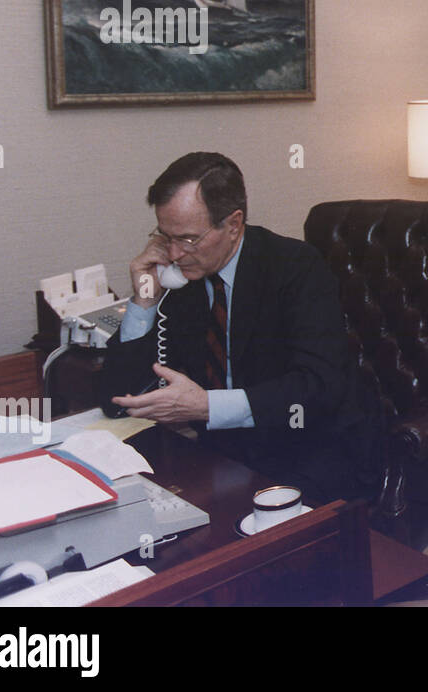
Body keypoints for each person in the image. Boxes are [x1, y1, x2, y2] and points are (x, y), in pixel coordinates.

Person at [100, 151, 381, 505]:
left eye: (187, 238)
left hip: (313, 448)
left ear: (233, 225)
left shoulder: (297, 268)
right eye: (164, 236)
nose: (173, 253)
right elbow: (117, 399)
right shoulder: (182, 280)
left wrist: (207, 407)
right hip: (225, 452)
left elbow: (317, 387)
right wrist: (144, 301)